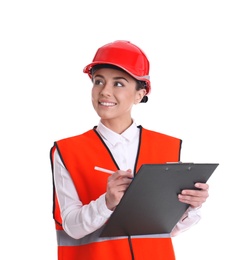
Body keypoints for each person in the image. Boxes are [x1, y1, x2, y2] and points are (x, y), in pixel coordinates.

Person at [50, 40, 209, 260]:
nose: (104, 91)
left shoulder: (168, 147)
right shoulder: (68, 151)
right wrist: (106, 203)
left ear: (139, 94)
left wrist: (191, 206)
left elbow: (168, 230)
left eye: (118, 83)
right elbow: (71, 227)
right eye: (98, 81)